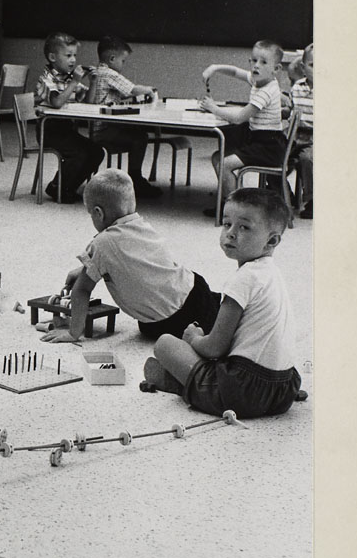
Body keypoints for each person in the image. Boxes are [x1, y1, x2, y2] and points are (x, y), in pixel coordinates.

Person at [144, 188, 305, 418]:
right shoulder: (272, 275)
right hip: (284, 390)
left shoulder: (243, 279)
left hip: (242, 393)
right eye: (227, 223)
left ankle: (182, 384)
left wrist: (193, 339)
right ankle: (188, 382)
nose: (230, 233)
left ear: (271, 241)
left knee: (165, 344)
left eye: (244, 227)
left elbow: (215, 348)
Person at [40, 170, 220, 344]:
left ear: (98, 213)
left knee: (155, 329)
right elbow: (133, 262)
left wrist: (73, 332)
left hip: (168, 320)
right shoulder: (140, 224)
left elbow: (82, 290)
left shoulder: (101, 243)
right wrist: (84, 270)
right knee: (216, 311)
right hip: (195, 288)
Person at [199, 40, 287, 215]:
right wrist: (215, 68)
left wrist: (214, 108)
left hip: (268, 146)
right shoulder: (258, 81)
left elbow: (240, 118)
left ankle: (236, 212)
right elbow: (234, 71)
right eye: (253, 60)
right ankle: (230, 202)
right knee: (218, 158)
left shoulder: (266, 91)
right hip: (259, 141)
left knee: (224, 164)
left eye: (263, 62)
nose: (256, 66)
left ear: (276, 69)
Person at [84, 36, 162, 198]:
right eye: (123, 61)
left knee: (137, 133)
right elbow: (132, 89)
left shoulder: (100, 72)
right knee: (140, 138)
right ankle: (135, 178)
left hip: (101, 128)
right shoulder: (109, 73)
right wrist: (149, 90)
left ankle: (135, 177)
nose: (123, 65)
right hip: (105, 130)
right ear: (112, 59)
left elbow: (119, 96)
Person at [32, 32, 105, 203]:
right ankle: (58, 187)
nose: (73, 60)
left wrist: (93, 82)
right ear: (52, 57)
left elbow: (89, 102)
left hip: (67, 131)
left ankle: (67, 186)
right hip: (49, 131)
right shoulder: (46, 79)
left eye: (75, 55)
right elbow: (57, 102)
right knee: (78, 153)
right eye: (68, 55)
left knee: (96, 152)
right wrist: (74, 83)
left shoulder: (69, 79)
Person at [289, 43, 314, 219]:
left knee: (307, 159)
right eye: (313, 65)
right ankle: (283, 194)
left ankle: (311, 200)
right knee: (273, 154)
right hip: (295, 134)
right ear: (304, 69)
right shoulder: (297, 86)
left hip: (315, 137)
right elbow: (292, 108)